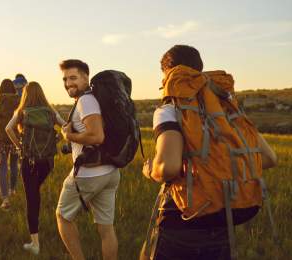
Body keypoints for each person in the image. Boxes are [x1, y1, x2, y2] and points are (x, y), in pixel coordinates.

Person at [141, 45, 278, 259]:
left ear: (169, 75)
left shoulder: (169, 110)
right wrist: (221, 172)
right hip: (224, 222)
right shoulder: (227, 111)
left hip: (181, 222)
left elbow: (168, 167)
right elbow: (270, 157)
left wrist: (150, 171)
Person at [56, 59, 120, 260]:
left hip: (89, 174)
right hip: (110, 172)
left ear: (86, 77)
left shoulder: (86, 101)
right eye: (65, 79)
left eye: (73, 78)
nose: (68, 83)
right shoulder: (95, 99)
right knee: (106, 228)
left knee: (62, 217)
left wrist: (69, 136)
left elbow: (97, 136)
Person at [6, 81, 66, 255]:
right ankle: (37, 238)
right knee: (35, 192)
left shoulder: (22, 112)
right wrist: (56, 141)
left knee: (32, 199)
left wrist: (19, 146)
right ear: (41, 93)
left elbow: (8, 129)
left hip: (29, 161)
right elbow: (65, 126)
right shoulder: (50, 111)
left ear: (26, 94)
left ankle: (35, 244)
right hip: (47, 162)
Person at [0, 79, 20, 211]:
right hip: (15, 137)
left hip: (0, 138)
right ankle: (12, 189)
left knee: (1, 168)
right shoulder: (19, 100)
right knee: (14, 165)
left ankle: (5, 199)